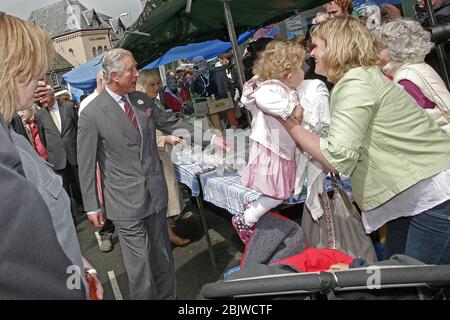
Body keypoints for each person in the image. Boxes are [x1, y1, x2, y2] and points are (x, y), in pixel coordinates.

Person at [281, 16, 450, 265]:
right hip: (416, 197)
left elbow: (337, 157)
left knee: (413, 285)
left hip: (431, 197)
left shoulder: (355, 84)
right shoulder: (361, 79)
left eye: (316, 46)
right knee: (402, 282)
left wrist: (291, 126)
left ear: (336, 47)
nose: (312, 53)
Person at [77, 48, 228, 299]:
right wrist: (92, 205)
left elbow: (173, 124)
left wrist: (210, 137)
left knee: (162, 260)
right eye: (131, 70)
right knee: (141, 269)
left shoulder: (142, 101)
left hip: (155, 197)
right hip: (125, 203)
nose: (137, 74)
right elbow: (86, 162)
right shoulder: (91, 114)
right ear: (114, 76)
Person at [0, 11, 86, 299]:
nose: (41, 76)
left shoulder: (11, 137)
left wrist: (75, 263)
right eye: (35, 65)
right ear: (10, 66)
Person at [232, 40, 330, 244]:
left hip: (279, 149)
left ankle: (251, 210)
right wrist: (291, 110)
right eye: (300, 68)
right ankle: (246, 218)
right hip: (271, 149)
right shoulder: (272, 88)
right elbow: (262, 99)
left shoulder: (283, 88)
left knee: (278, 191)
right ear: (288, 75)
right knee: (277, 194)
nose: (304, 71)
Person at [137, 70, 191, 246]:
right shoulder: (139, 107)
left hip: (164, 155)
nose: (156, 87)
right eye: (152, 85)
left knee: (167, 194)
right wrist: (164, 139)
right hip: (154, 158)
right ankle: (167, 235)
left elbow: (166, 123)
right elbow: (139, 136)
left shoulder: (156, 104)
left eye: (158, 84)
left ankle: (168, 232)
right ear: (142, 87)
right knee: (162, 196)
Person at [375, 19, 450, 132]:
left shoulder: (406, 77)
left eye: (380, 48)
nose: (375, 53)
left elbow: (418, 118)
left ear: (394, 48)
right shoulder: (416, 67)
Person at [78, 69, 114, 252]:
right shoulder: (87, 105)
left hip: (114, 160)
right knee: (102, 199)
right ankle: (105, 233)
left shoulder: (113, 100)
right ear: (100, 81)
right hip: (99, 161)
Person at [35, 86, 84, 217]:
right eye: (40, 98)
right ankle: (70, 216)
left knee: (81, 185)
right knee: (64, 189)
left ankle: (86, 207)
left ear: (52, 95)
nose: (42, 100)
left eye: (44, 96)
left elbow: (78, 129)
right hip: (57, 158)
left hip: (74, 154)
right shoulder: (39, 115)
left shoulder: (68, 107)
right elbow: (43, 136)